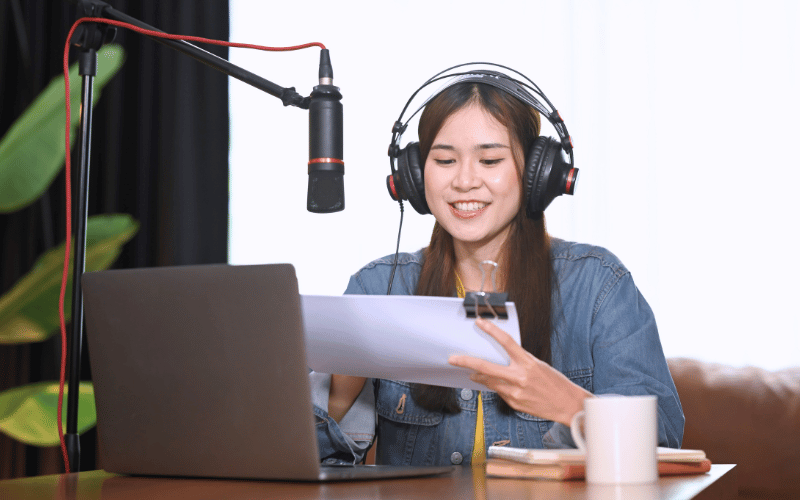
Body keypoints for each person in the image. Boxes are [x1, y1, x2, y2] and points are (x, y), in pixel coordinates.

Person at [310, 69, 684, 467]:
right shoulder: (377, 288)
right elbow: (296, 464)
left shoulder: (599, 287)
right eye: (444, 160)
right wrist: (337, 398)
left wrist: (570, 404)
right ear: (415, 177)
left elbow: (663, 443)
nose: (465, 180)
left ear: (539, 172)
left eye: (489, 160)